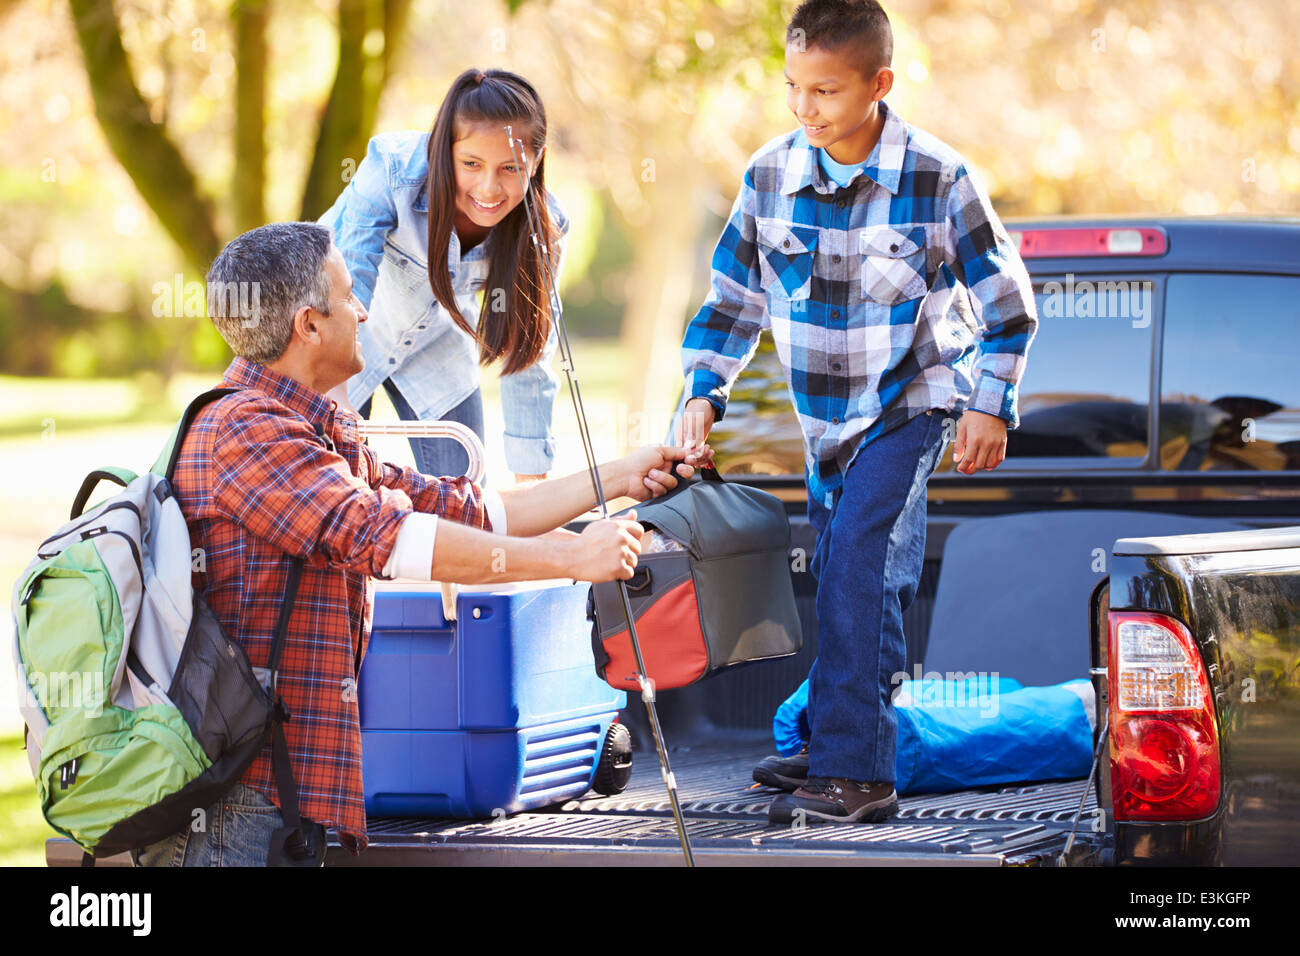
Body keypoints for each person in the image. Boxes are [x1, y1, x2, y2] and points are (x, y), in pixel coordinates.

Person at [134, 221, 706, 866]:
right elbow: (398, 542)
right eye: (349, 295)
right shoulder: (245, 432)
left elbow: (470, 511)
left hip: (283, 800)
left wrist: (618, 477)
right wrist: (572, 558)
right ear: (308, 325)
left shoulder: (313, 432)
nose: (363, 310)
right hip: (238, 805)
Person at [677, 0, 1037, 824]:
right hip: (821, 425)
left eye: (827, 92)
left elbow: (1009, 306)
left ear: (880, 84)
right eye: (794, 88)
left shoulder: (938, 178)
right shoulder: (769, 175)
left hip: (908, 406)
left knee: (862, 571)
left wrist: (991, 405)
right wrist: (704, 388)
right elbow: (731, 303)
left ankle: (857, 774)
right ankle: (834, 735)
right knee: (847, 576)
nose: (806, 110)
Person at [319, 68, 565, 483]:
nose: (489, 188)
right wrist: (334, 399)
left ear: (536, 161)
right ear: (442, 149)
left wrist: (531, 487)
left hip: (435, 336)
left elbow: (530, 356)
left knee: (468, 492)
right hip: (339, 332)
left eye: (510, 168)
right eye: (471, 163)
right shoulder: (392, 168)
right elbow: (348, 285)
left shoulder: (542, 229)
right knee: (331, 483)